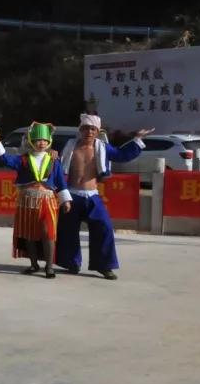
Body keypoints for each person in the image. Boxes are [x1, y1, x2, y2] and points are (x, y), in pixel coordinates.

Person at [55, 114, 152, 280]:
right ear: (80, 129)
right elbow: (56, 165)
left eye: (93, 129)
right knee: (67, 230)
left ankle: (104, 265)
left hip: (92, 195)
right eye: (86, 128)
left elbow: (122, 155)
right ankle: (71, 262)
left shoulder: (102, 147)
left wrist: (137, 138)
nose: (89, 132)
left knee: (104, 227)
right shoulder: (70, 146)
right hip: (71, 194)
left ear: (98, 131)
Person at [0, 122, 72, 279]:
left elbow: (60, 181)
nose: (42, 143)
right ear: (31, 141)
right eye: (38, 140)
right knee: (29, 234)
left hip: (48, 201)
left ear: (49, 142)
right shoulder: (23, 160)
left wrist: (65, 200)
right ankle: (34, 264)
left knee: (48, 233)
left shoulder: (54, 160)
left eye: (45, 140)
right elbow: (6, 160)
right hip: (27, 201)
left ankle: (49, 266)